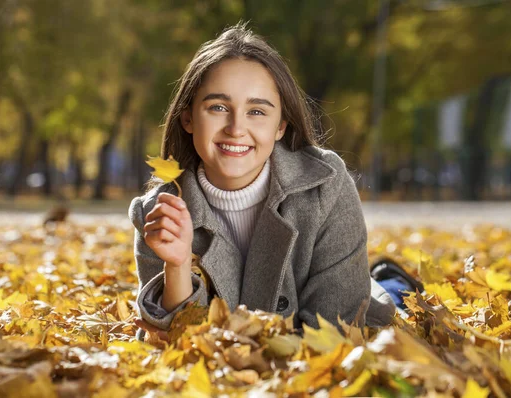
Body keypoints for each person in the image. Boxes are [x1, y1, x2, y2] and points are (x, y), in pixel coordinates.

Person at [129, 23, 396, 339]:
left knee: (392, 290)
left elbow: (336, 335)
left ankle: (391, 279)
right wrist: (177, 266)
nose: (236, 128)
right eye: (217, 107)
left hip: (332, 348)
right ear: (188, 118)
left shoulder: (326, 186)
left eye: (257, 111)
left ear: (280, 126)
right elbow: (179, 346)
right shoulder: (159, 213)